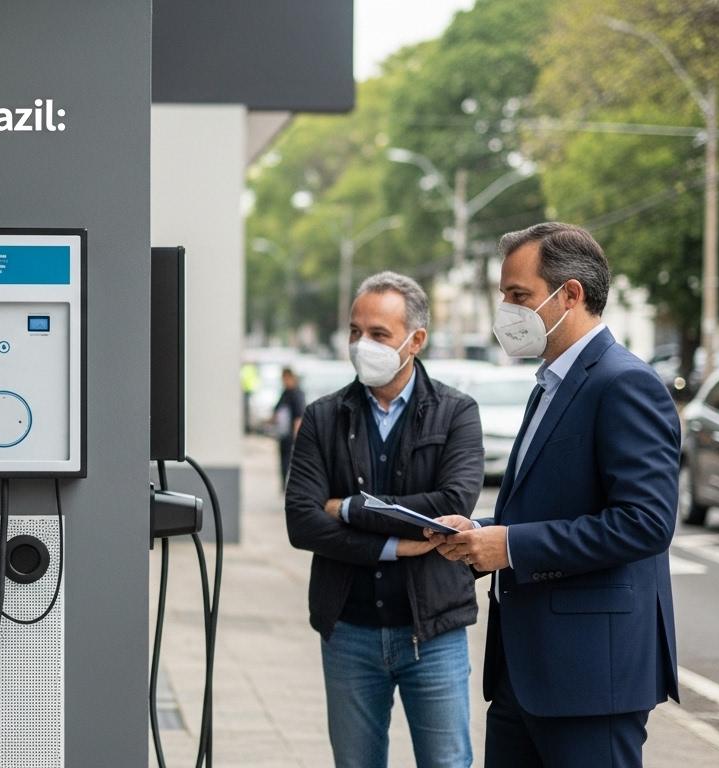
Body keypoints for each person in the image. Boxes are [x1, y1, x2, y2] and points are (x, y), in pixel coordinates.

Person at [430, 223, 680, 768]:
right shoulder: (552, 380)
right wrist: (482, 534)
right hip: (523, 673)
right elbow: (550, 505)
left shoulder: (624, 383)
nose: (506, 311)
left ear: (571, 294)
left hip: (591, 679)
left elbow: (646, 522)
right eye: (504, 296)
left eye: (518, 296)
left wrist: (512, 546)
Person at [285, 272, 484, 768]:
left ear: (415, 340)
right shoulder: (323, 417)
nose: (361, 345)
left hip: (433, 632)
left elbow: (452, 503)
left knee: (448, 762)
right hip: (348, 630)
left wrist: (349, 508)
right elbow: (302, 521)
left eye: (378, 334)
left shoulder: (457, 413)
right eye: (355, 332)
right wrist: (394, 544)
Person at [273, 367, 306, 487]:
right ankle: (284, 485)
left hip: (292, 434)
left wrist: (297, 435)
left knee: (290, 461)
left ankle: (292, 484)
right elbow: (276, 411)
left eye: (286, 379)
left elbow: (299, 416)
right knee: (283, 461)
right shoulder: (285, 393)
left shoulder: (297, 394)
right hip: (284, 433)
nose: (284, 381)